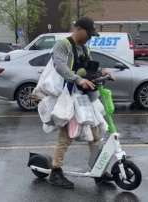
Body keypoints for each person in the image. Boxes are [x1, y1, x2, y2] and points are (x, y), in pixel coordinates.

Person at [49, 16, 112, 189]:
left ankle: (98, 170)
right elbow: (60, 66)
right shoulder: (63, 45)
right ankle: (55, 171)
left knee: (95, 134)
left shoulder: (84, 47)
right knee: (66, 136)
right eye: (88, 33)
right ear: (78, 29)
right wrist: (78, 79)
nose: (90, 37)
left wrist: (102, 71)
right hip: (67, 97)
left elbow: (88, 67)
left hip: (83, 97)